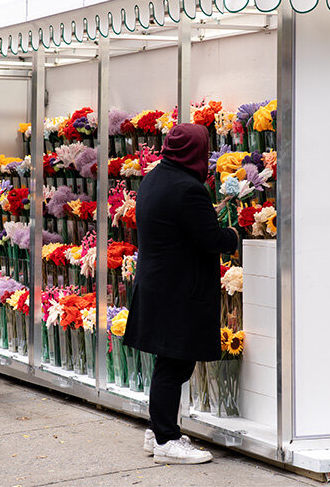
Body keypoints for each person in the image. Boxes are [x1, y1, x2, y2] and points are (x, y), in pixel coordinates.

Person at [124, 124, 239, 465]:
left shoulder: (154, 178)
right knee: (175, 365)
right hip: (178, 291)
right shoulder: (189, 188)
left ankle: (158, 430)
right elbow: (212, 240)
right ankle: (166, 440)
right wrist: (233, 234)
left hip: (158, 286)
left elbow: (178, 226)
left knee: (167, 362)